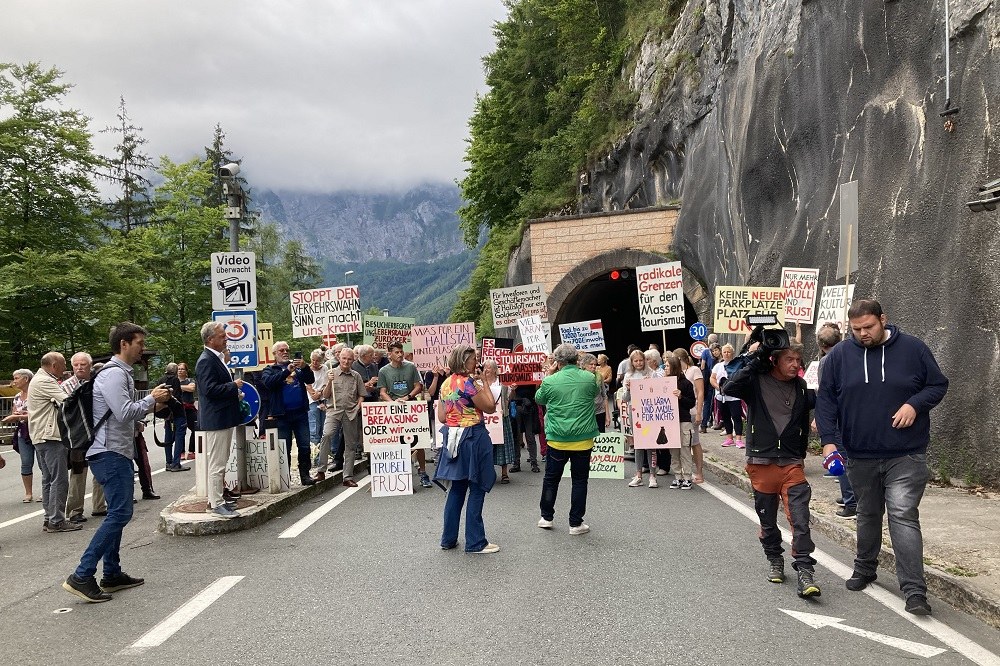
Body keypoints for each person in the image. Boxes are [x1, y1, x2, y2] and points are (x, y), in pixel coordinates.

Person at [815, 299, 948, 615]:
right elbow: (826, 400)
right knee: (868, 512)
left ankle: (914, 591)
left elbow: (937, 385)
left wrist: (915, 404)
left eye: (869, 327)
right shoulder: (839, 357)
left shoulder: (914, 349)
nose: (863, 334)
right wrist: (828, 442)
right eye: (856, 329)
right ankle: (865, 567)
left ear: (883, 320)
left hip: (906, 454)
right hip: (859, 454)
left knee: (902, 514)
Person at [62, 322, 171, 602]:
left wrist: (150, 405)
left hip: (113, 450)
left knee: (117, 512)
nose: (142, 349)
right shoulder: (113, 375)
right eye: (139, 344)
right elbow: (123, 413)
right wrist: (150, 399)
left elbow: (123, 412)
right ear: (124, 344)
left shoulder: (119, 374)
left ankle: (111, 574)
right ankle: (82, 574)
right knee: (120, 514)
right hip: (109, 452)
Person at [723, 341, 821, 598]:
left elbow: (821, 402)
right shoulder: (756, 381)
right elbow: (729, 387)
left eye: (798, 360)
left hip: (791, 462)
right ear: (774, 360)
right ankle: (774, 559)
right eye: (789, 359)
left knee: (799, 517)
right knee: (768, 521)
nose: (795, 365)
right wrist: (755, 360)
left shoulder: (800, 386)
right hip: (761, 461)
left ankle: (804, 570)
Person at [434, 344, 499, 553]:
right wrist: (484, 383)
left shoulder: (446, 384)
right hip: (474, 436)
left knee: (457, 488)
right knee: (477, 486)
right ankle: (475, 541)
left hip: (453, 437)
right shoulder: (470, 384)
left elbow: (442, 417)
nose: (477, 363)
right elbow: (490, 407)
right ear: (465, 361)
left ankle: (448, 538)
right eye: (474, 359)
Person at [535, 343, 600, 535]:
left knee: (551, 479)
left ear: (557, 361)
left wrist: (548, 374)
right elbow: (595, 393)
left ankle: (546, 517)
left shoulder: (550, 381)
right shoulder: (589, 378)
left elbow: (539, 399)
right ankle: (575, 523)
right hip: (583, 439)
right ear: (576, 360)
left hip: (557, 439)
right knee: (580, 481)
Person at [196, 321, 246, 518]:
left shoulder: (215, 359)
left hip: (222, 416)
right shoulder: (206, 360)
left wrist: (234, 393)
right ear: (210, 339)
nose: (226, 338)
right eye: (222, 336)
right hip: (217, 419)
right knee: (217, 463)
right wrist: (233, 386)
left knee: (221, 461)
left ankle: (217, 500)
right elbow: (209, 390)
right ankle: (215, 503)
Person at [27, 352, 80, 533]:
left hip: (40, 436)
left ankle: (49, 518)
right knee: (59, 479)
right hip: (50, 436)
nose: (66, 368)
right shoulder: (45, 381)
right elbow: (66, 400)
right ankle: (57, 520)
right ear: (54, 365)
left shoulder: (38, 379)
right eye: (64, 364)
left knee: (48, 479)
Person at [263, 341, 317, 487]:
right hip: (282, 415)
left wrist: (305, 367)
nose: (285, 352)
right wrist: (286, 371)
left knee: (304, 446)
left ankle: (305, 475)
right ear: (274, 354)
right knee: (284, 447)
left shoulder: (298, 368)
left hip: (300, 413)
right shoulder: (270, 369)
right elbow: (269, 383)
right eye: (281, 350)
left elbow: (310, 379)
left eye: (287, 350)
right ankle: (285, 478)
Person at [377, 340, 430, 488]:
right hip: (394, 409)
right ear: (390, 354)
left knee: (419, 441)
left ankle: (423, 472)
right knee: (397, 442)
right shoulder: (384, 371)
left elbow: (418, 386)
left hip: (411, 406)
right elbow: (382, 392)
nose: (400, 355)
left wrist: (408, 398)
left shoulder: (411, 367)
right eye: (397, 352)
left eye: (401, 352)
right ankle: (401, 474)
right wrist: (392, 403)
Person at [62, 352, 108, 522]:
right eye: (76, 365)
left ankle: (99, 506)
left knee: (100, 468)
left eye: (83, 364)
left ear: (90, 365)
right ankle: (75, 511)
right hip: (78, 436)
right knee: (78, 472)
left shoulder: (98, 383)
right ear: (72, 366)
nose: (80, 368)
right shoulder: (67, 386)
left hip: (98, 432)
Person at [314, 347, 365, 485]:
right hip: (333, 410)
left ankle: (347, 476)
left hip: (350, 412)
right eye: (344, 358)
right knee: (327, 435)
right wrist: (330, 381)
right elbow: (325, 395)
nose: (346, 361)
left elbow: (361, 394)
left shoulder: (356, 376)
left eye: (349, 359)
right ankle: (321, 470)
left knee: (351, 444)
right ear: (339, 358)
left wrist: (359, 405)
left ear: (353, 360)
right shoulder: (331, 373)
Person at [2, 369, 37, 503]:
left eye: (16, 378)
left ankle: (47, 489)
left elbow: (37, 414)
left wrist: (19, 415)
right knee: (26, 462)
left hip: (36, 430)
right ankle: (28, 492)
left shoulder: (35, 394)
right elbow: (14, 412)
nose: (14, 381)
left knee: (43, 463)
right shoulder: (17, 396)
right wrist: (15, 415)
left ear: (26, 379)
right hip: (23, 432)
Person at [663, 354, 697, 488]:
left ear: (674, 367)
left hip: (683, 421)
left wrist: (681, 396)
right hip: (670, 422)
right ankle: (678, 476)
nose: (665, 368)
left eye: (667, 366)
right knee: (674, 452)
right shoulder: (663, 383)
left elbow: (691, 403)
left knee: (685, 451)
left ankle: (687, 477)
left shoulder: (686, 383)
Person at [623, 349, 655, 488]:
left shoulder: (652, 374)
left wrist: (651, 385)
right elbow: (624, 398)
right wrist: (629, 389)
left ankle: (652, 476)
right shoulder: (628, 375)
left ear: (645, 360)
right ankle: (638, 475)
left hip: (648, 410)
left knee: (650, 444)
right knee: (638, 445)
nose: (638, 363)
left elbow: (658, 393)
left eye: (640, 360)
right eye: (635, 361)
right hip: (634, 410)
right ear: (631, 362)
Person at [481, 360, 515, 484]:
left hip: (501, 418)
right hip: (485, 419)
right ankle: (488, 473)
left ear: (495, 370)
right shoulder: (479, 384)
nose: (486, 370)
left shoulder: (502, 384)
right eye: (485, 367)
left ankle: (504, 473)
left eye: (489, 367)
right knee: (486, 446)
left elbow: (508, 400)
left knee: (502, 445)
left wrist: (513, 390)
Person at [675, 348, 705, 483]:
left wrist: (699, 412)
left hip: (693, 411)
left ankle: (699, 473)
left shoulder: (694, 370)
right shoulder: (678, 374)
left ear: (681, 359)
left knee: (694, 442)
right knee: (685, 443)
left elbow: (700, 392)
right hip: (682, 412)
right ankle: (687, 471)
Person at [156, 362, 189, 472]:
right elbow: (177, 396)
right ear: (175, 371)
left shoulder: (161, 380)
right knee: (179, 436)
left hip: (166, 413)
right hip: (178, 413)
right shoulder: (175, 380)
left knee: (168, 437)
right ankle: (176, 463)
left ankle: (168, 462)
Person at [711, 344, 744, 448]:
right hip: (721, 396)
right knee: (726, 417)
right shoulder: (718, 366)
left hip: (734, 396)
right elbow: (712, 378)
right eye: (724, 352)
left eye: (728, 352)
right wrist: (717, 387)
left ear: (732, 353)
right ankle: (729, 438)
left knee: (736, 416)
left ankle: (738, 439)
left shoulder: (737, 365)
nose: (726, 354)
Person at [509, 384, 540, 473]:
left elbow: (537, 393)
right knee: (517, 436)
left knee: (530, 436)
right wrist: (513, 389)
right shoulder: (513, 379)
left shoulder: (532, 379)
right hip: (517, 406)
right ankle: (516, 463)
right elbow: (511, 397)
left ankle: (533, 462)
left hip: (529, 407)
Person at [306, 349, 328, 454]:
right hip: (312, 399)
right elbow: (307, 385)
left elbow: (326, 383)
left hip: (323, 397)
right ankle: (314, 451)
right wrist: (314, 394)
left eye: (317, 361)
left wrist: (320, 392)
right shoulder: (308, 369)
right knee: (314, 425)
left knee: (324, 426)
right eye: (313, 360)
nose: (315, 363)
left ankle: (323, 452)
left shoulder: (324, 369)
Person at [580, 354, 608, 433]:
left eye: (595, 364)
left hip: (599, 411)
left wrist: (607, 416)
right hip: (585, 412)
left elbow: (604, 395)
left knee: (600, 436)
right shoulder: (579, 377)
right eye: (591, 364)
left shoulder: (599, 376)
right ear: (584, 365)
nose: (593, 366)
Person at [177, 362, 198, 460]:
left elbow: (192, 388)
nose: (180, 370)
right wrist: (184, 388)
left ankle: (191, 450)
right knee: (181, 431)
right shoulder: (175, 381)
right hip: (179, 409)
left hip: (190, 408)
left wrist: (179, 388)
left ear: (186, 371)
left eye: (182, 369)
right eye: (179, 369)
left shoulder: (190, 380)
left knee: (196, 427)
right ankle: (181, 452)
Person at [699, 339, 720, 431]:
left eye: (716, 350)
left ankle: (708, 423)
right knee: (709, 403)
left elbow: (702, 366)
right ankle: (705, 423)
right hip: (713, 383)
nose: (715, 352)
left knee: (710, 403)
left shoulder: (706, 353)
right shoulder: (716, 361)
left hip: (712, 382)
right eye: (713, 350)